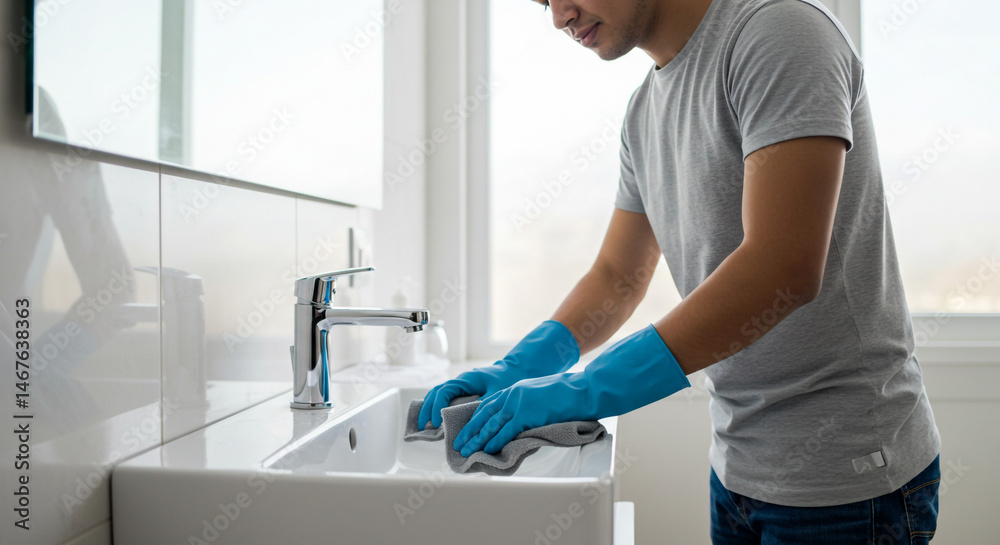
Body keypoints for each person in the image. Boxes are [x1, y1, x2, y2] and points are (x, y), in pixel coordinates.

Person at [419, 0, 941, 542]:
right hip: (737, 467)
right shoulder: (644, 111)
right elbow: (618, 275)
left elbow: (782, 268)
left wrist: (585, 388)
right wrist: (518, 366)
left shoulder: (779, 33)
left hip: (847, 480)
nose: (558, 16)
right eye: (543, 1)